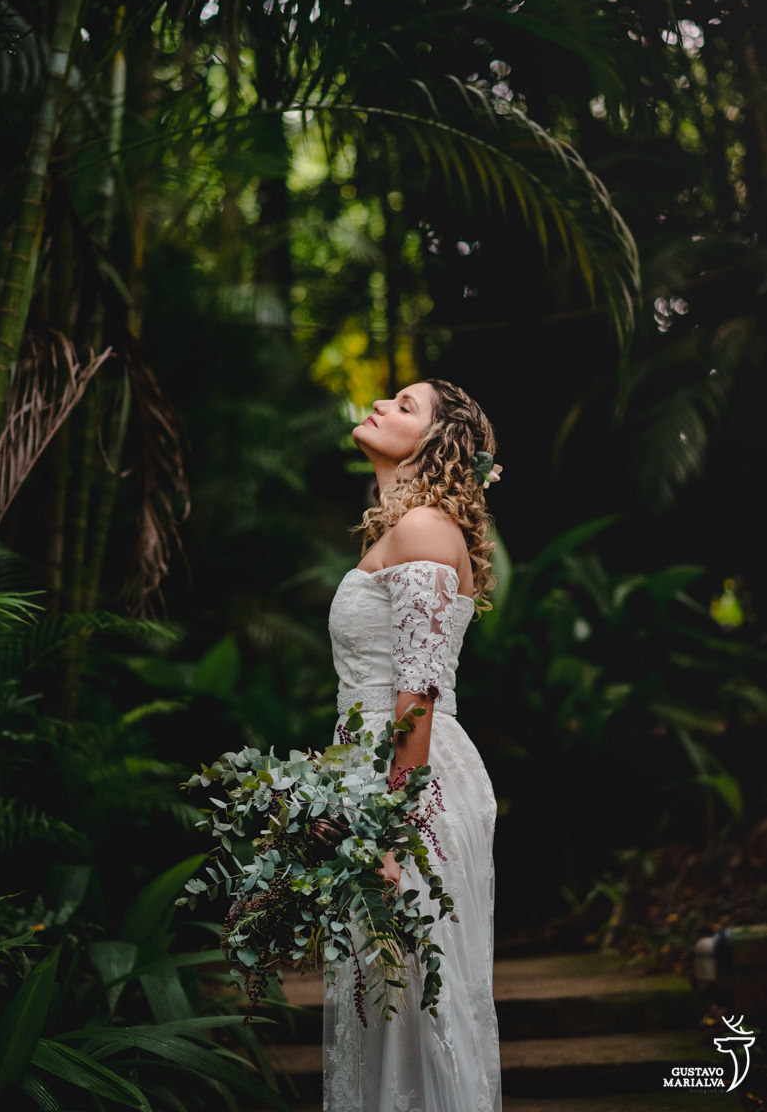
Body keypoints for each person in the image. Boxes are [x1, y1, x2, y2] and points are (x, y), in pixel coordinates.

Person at [323, 378, 503, 1112]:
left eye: (404, 405)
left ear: (434, 441)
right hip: (380, 773)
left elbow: (417, 692)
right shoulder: (400, 529)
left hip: (410, 785)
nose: (381, 405)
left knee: (411, 1004)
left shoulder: (425, 529)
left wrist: (394, 832)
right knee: (385, 1001)